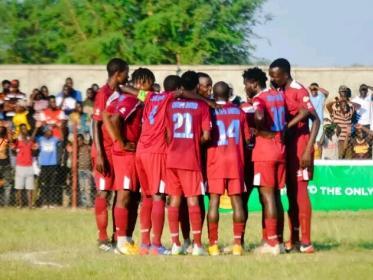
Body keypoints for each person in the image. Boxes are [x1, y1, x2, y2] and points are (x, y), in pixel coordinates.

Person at [269, 58, 320, 253]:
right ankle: (295, 239)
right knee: (290, 194)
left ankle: (306, 242)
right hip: (285, 148)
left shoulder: (300, 90)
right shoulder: (279, 90)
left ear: (285, 74)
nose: (272, 79)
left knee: (300, 193)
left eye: (275, 75)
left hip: (300, 146)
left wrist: (308, 149)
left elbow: (315, 119)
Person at [102, 68, 153, 256]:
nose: (151, 90)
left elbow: (106, 116)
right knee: (124, 195)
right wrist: (121, 142)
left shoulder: (129, 97)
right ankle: (121, 241)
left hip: (133, 154)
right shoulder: (132, 100)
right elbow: (113, 118)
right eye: (150, 85)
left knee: (132, 197)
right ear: (142, 83)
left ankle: (128, 238)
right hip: (125, 155)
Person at [165, 71, 211, 256]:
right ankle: (198, 245)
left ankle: (175, 244)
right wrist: (194, 141)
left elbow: (168, 134)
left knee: (174, 201)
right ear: (196, 87)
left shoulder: (170, 104)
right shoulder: (202, 105)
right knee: (193, 200)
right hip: (190, 158)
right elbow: (206, 136)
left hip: (172, 157)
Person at [206, 81, 249, 256]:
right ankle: (237, 244)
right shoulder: (239, 112)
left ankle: (213, 245)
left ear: (214, 95)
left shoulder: (210, 111)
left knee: (214, 201)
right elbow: (247, 139)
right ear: (229, 94)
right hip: (235, 160)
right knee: (237, 201)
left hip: (215, 160)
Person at [92, 58, 129, 252]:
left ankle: (117, 235)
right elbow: (95, 124)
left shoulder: (120, 92)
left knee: (119, 192)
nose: (128, 76)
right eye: (126, 73)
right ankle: (102, 238)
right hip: (104, 150)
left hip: (117, 150)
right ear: (118, 74)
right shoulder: (103, 93)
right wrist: (99, 153)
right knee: (103, 192)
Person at [11, 123, 38, 208]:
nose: (24, 130)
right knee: (19, 187)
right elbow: (13, 152)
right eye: (22, 129)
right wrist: (13, 149)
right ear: (20, 130)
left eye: (25, 128)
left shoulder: (30, 140)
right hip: (20, 166)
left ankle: (30, 205)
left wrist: (35, 149)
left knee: (30, 187)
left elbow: (33, 152)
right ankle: (20, 205)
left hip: (29, 166)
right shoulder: (17, 140)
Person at [37, 125, 61, 208]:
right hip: (43, 164)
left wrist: (60, 127)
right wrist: (37, 127)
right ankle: (44, 202)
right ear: (44, 132)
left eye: (51, 131)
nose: (50, 133)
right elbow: (32, 139)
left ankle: (51, 203)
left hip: (52, 164)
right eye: (48, 131)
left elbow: (62, 138)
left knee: (52, 184)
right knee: (44, 184)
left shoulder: (54, 139)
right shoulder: (40, 139)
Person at [308, 83, 329, 158]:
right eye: (312, 89)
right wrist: (310, 88)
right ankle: (310, 159)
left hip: (319, 123)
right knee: (310, 142)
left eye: (315, 89)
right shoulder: (308, 98)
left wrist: (317, 87)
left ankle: (318, 160)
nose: (313, 90)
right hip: (310, 123)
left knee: (319, 143)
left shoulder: (321, 97)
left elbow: (327, 93)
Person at [76, 134, 94, 207]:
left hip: (87, 170)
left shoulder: (88, 147)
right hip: (80, 170)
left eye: (80, 140)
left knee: (88, 187)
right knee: (82, 188)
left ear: (83, 140)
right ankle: (84, 204)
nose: (79, 142)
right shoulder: (76, 149)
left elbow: (92, 157)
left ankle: (89, 203)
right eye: (77, 141)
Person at [0, 122, 13, 206]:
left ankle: (6, 204)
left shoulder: (6, 139)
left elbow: (11, 141)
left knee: (7, 185)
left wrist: (8, 128)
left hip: (5, 164)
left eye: (1, 127)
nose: (0, 129)